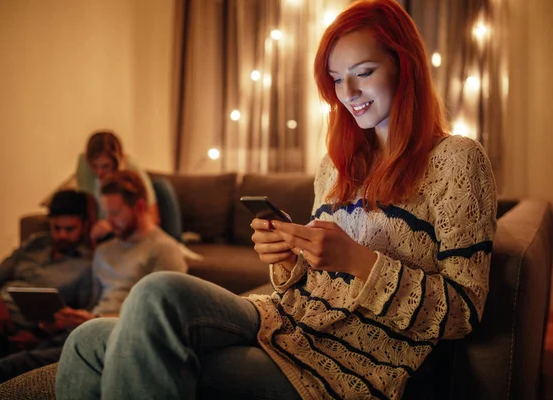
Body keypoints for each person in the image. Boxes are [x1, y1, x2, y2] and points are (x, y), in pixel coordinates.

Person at [55, 0, 497, 399]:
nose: (349, 93)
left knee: (143, 333)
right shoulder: (336, 164)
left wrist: (359, 261)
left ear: (405, 66)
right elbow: (305, 280)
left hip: (352, 364)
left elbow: (463, 312)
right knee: (90, 336)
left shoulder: (457, 160)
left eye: (363, 73)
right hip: (285, 320)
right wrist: (286, 257)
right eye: (337, 79)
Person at [0, 171, 187, 399]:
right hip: (82, 329)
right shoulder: (105, 251)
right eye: (106, 213)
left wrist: (93, 322)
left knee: (14, 365)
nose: (109, 221)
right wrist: (64, 322)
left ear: (138, 208)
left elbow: (160, 318)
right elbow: (90, 304)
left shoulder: (164, 250)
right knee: (7, 361)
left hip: (116, 333)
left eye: (115, 213)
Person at [0, 189, 94, 373]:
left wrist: (40, 340)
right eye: (56, 228)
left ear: (84, 226)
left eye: (69, 229)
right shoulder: (35, 244)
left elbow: (82, 321)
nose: (62, 236)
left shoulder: (87, 265)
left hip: (9, 330)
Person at [76, 130, 160, 243]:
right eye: (94, 166)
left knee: (161, 187)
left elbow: (152, 214)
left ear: (117, 162)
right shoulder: (84, 164)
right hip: (106, 226)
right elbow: (89, 201)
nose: (99, 173)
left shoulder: (131, 168)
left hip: (129, 226)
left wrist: (114, 225)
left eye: (105, 166)